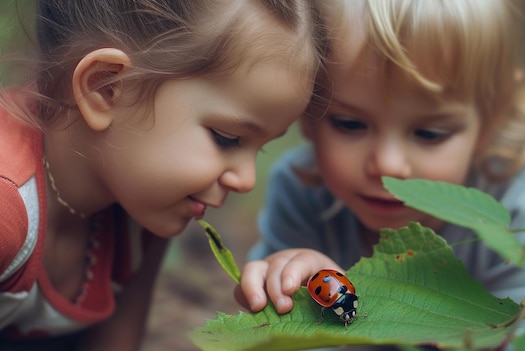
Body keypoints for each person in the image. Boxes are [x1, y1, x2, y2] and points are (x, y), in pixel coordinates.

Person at [237, 0, 525, 333]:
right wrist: (285, 289)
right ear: (308, 114)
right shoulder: (302, 193)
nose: (387, 166)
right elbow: (284, 334)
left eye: (430, 133)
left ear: (490, 125)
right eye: (349, 124)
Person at [0, 0, 327, 350]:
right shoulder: (8, 208)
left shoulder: (142, 205)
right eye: (227, 138)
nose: (247, 180)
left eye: (260, 147)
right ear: (105, 88)